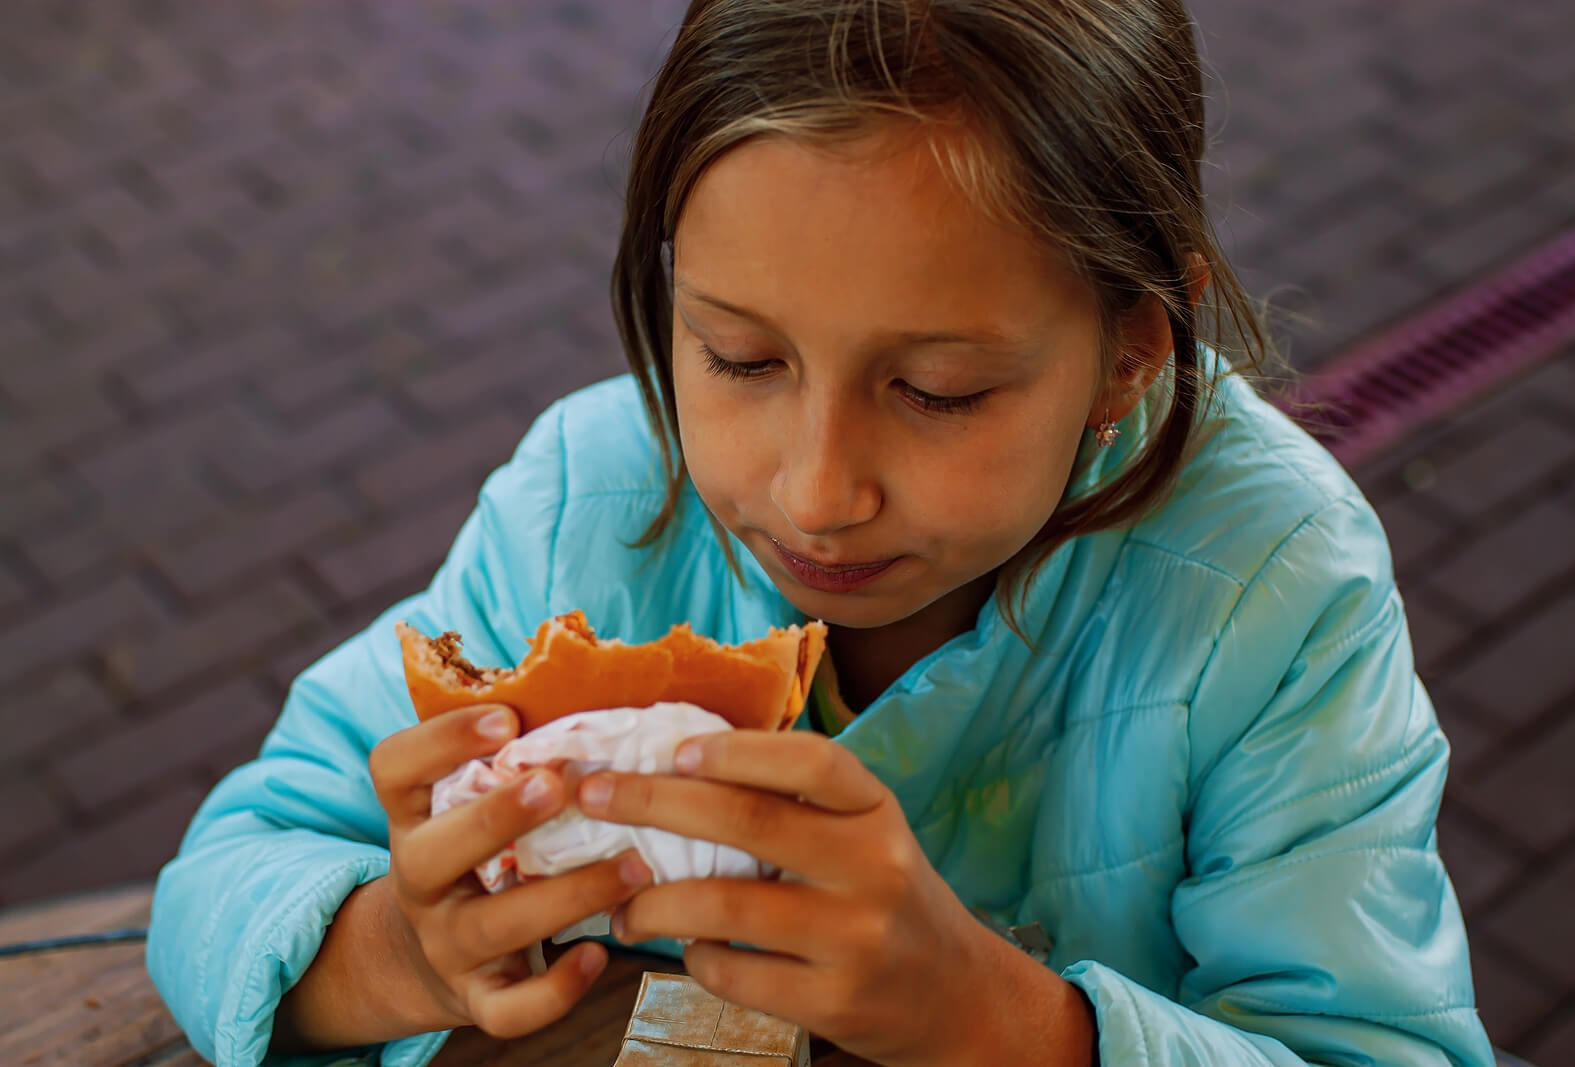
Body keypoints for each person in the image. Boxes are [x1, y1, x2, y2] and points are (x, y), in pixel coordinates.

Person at [147, 1, 1496, 1065]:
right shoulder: (592, 505)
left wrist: (998, 1026)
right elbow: (227, 878)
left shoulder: (1273, 586)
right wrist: (405, 951)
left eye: (938, 391)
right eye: (739, 357)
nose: (813, 493)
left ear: (1134, 345)